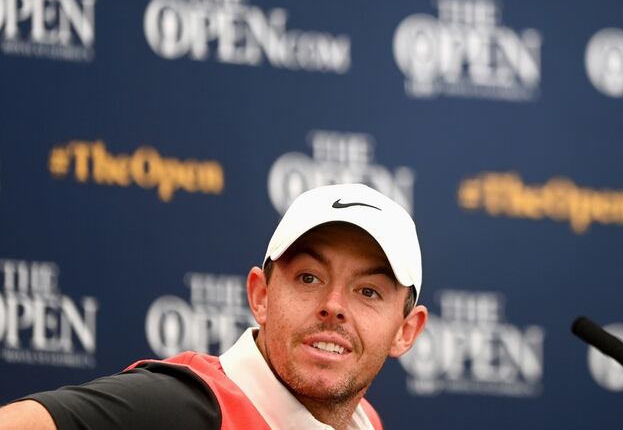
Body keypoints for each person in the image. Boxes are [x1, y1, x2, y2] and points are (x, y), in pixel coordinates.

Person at [0, 183, 429, 430]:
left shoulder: (361, 420)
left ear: (405, 331)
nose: (333, 306)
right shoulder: (181, 407)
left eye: (368, 291)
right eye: (309, 278)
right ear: (261, 296)